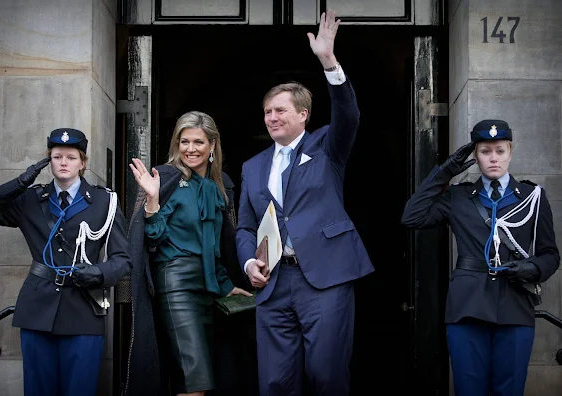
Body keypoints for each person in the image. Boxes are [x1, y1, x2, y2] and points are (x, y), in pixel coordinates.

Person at [235, 9, 375, 396]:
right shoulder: (252, 166)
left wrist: (329, 61)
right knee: (275, 382)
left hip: (325, 278)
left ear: (303, 114)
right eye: (267, 112)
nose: (272, 117)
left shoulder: (327, 146)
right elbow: (245, 225)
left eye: (280, 110)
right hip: (274, 283)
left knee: (327, 375)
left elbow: (349, 114)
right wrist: (249, 261)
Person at [401, 119, 560, 396]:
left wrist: (532, 267)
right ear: (475, 156)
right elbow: (411, 217)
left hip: (515, 305)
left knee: (509, 390)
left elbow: (550, 255)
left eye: (500, 150)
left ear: (510, 152)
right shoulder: (458, 196)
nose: (493, 158)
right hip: (467, 307)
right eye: (485, 151)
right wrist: (445, 171)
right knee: (468, 389)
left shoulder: (533, 196)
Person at [0, 128, 132, 396]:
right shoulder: (30, 198)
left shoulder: (105, 201)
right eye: (57, 157)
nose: (63, 162)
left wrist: (99, 273)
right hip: (37, 310)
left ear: (82, 162)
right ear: (49, 161)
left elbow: (123, 259)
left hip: (84, 310)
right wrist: (21, 182)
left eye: (71, 156)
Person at [125, 110, 252, 396]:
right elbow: (152, 238)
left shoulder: (220, 186)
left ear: (212, 146)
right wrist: (152, 200)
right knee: (196, 381)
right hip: (177, 285)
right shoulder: (165, 178)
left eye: (198, 142)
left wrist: (225, 284)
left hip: (207, 289)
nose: (190, 149)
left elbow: (216, 246)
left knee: (199, 379)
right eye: (184, 142)